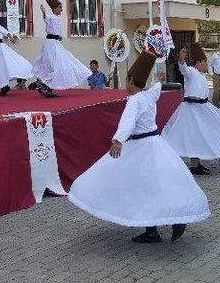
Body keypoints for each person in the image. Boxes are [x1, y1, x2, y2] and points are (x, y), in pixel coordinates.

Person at [67, 50, 210, 243]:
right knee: (157, 184)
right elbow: (156, 90)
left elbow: (127, 122)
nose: (126, 84)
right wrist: (159, 81)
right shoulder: (148, 96)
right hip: (155, 145)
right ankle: (166, 222)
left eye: (126, 81)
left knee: (143, 187)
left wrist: (118, 140)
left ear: (131, 80)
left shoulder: (135, 101)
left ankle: (156, 228)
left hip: (141, 148)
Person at [162, 44, 220, 175]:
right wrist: (181, 59)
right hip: (191, 110)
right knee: (193, 135)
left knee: (202, 134)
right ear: (199, 62)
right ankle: (194, 165)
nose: (207, 65)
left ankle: (197, 163)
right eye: (205, 62)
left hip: (202, 109)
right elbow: (183, 68)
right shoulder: (190, 72)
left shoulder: (201, 75)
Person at [31, 0, 91, 98]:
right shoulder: (51, 17)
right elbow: (46, 19)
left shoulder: (57, 18)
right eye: (60, 7)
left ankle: (47, 88)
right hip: (50, 45)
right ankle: (41, 84)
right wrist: (44, 13)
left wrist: (59, 37)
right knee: (52, 65)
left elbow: (55, 31)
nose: (62, 9)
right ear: (55, 8)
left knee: (58, 65)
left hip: (55, 43)